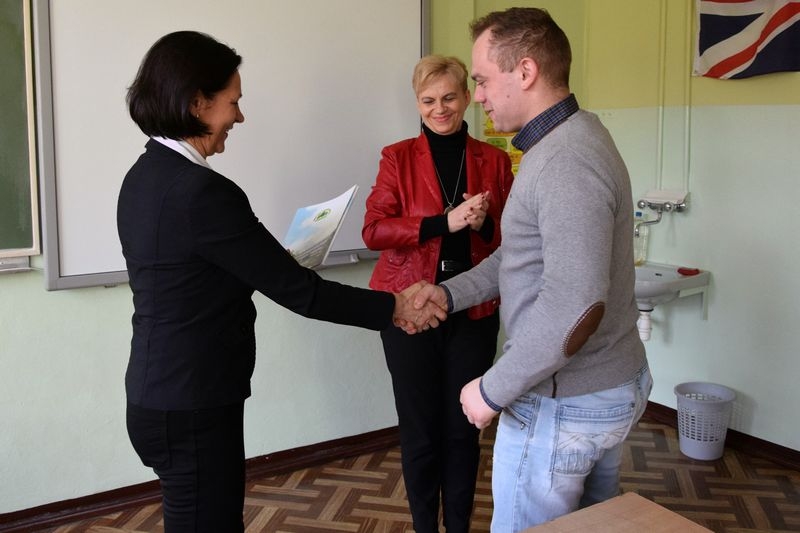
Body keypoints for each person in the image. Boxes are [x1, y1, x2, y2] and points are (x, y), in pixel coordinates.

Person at [117, 31, 443, 533]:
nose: (239, 117)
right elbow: (301, 293)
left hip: (158, 393)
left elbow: (192, 279)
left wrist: (274, 265)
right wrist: (395, 307)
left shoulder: (143, 175)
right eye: (233, 102)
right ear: (197, 103)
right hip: (193, 402)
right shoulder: (202, 192)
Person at [412, 8, 653, 531]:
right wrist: (450, 294)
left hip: (565, 403)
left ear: (525, 72)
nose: (477, 96)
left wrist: (491, 390)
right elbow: (518, 256)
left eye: (481, 81)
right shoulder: (568, 140)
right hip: (600, 388)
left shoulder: (564, 160)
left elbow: (576, 305)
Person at [362, 55, 513, 532]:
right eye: (428, 100)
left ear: (467, 97)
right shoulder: (397, 157)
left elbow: (513, 239)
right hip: (410, 307)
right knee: (420, 432)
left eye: (449, 97)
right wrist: (441, 223)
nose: (439, 108)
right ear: (417, 103)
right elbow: (374, 230)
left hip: (474, 308)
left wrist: (483, 223)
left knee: (464, 430)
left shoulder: (494, 160)